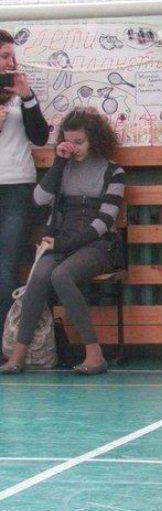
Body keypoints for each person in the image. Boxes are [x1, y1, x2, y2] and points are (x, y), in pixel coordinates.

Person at [1, 108, 125, 375]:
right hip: (63, 239)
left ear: (95, 140)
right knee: (39, 276)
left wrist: (62, 245)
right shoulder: (64, 168)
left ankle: (94, 353)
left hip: (98, 244)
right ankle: (19, 354)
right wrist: (58, 163)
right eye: (69, 141)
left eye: (80, 142)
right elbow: (38, 200)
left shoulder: (113, 172)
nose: (74, 147)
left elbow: (104, 222)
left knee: (62, 275)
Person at [0, 29, 49, 340]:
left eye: (12, 56)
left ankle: (5, 342)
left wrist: (28, 97)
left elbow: (40, 137)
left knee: (8, 267)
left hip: (17, 187)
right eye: (4, 56)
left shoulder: (19, 94)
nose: (11, 62)